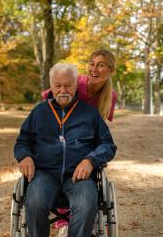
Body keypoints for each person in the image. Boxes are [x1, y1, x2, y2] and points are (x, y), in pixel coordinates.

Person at [14, 63, 117, 237]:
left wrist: (90, 160)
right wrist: (25, 156)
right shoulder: (39, 112)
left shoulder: (90, 114)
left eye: (68, 85)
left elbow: (108, 144)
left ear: (76, 85)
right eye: (58, 85)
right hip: (44, 173)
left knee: (86, 205)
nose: (63, 90)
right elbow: (22, 141)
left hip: (79, 176)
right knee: (35, 203)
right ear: (51, 87)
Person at [42, 49, 117, 237]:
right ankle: (63, 222)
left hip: (85, 142)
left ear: (111, 70)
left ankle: (84, 216)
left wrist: (92, 157)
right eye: (92, 63)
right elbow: (48, 98)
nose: (94, 68)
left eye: (101, 65)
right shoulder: (77, 83)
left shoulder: (111, 97)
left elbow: (101, 132)